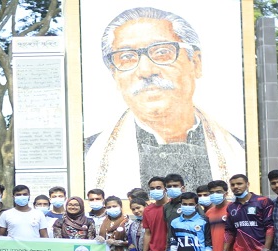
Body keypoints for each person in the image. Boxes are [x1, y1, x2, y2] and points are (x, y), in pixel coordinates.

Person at [85, 6, 245, 194]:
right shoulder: (87, 155)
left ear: (196, 63)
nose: (146, 71)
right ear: (115, 76)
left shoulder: (240, 152)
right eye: (127, 57)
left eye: (162, 52)